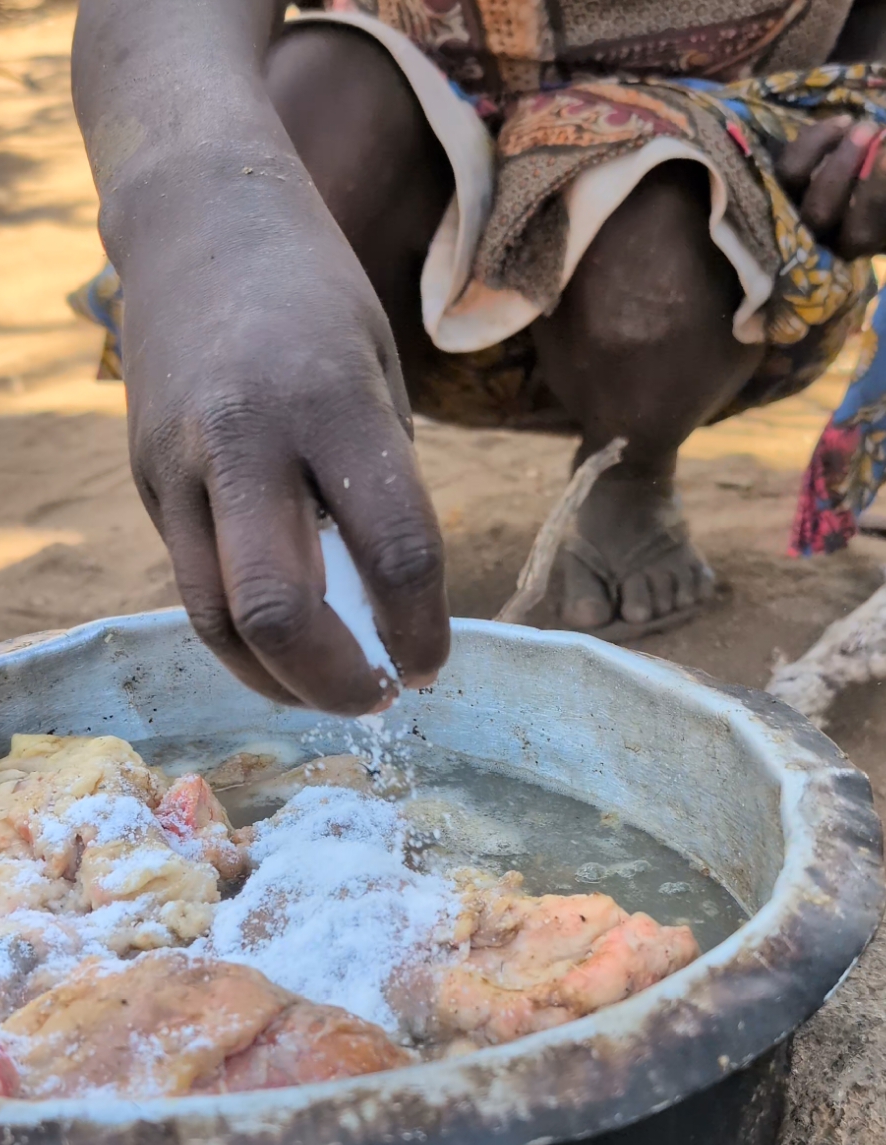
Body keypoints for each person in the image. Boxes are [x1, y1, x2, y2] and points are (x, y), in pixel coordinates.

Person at [69, 0, 886, 714]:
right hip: (395, 182)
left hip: (733, 207)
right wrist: (208, 220)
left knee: (656, 253)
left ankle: (630, 475)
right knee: (316, 90)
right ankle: (319, 509)